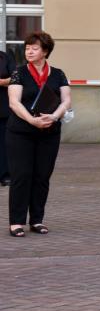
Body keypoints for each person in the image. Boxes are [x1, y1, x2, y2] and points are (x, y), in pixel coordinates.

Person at [7, 31, 71, 237]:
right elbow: (14, 102)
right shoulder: (19, 72)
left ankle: (37, 220)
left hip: (49, 132)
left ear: (45, 51)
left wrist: (53, 117)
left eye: (34, 48)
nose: (29, 51)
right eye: (27, 48)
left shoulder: (58, 73)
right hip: (21, 132)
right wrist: (32, 120)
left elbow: (66, 101)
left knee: (42, 176)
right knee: (21, 176)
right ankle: (16, 222)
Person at [0, 49, 16, 187]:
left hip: (3, 110)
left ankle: (5, 175)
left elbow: (15, 78)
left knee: (4, 144)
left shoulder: (5, 57)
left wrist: (1, 82)